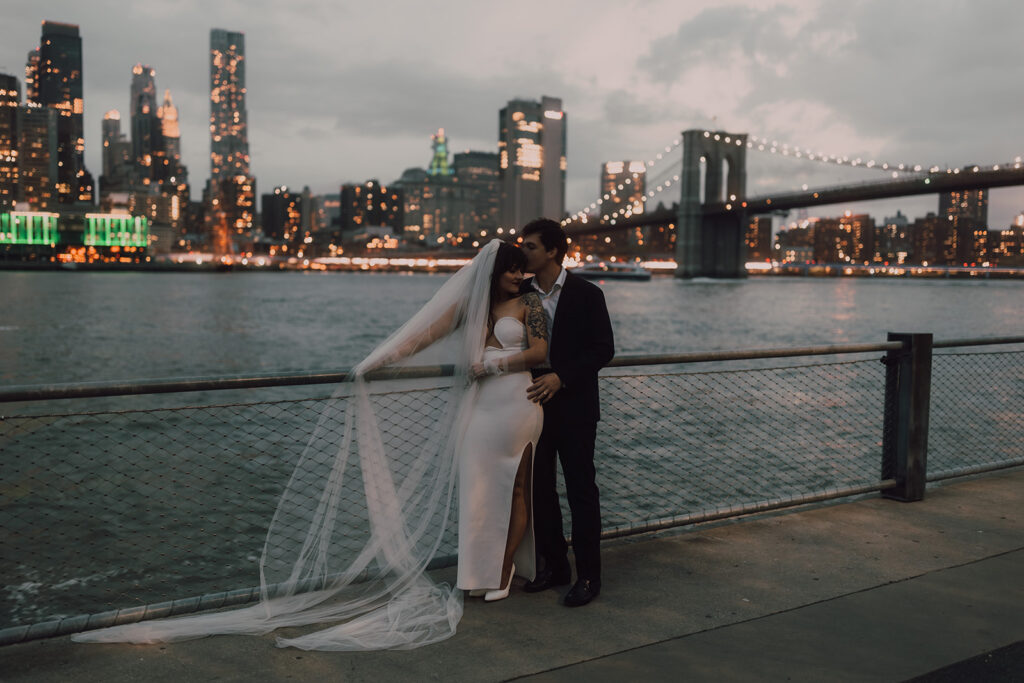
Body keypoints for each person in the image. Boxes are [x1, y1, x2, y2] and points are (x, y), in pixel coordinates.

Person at [72, 239, 546, 650]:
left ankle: (502, 572)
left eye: (519, 268)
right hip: (479, 410)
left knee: (516, 486)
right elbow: (423, 337)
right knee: (480, 492)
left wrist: (494, 366)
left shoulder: (532, 307)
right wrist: (375, 362)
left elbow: (542, 352)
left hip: (517, 401)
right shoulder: (472, 307)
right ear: (491, 271)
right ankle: (476, 576)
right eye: (509, 268)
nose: (517, 275)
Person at [519, 218, 615, 608]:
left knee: (581, 492)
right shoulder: (519, 293)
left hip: (575, 406)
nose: (522, 252)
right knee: (540, 491)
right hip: (531, 404)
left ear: (553, 251)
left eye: (530, 246)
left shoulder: (588, 294)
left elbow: (602, 349)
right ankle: (555, 566)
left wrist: (563, 377)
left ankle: (589, 577)